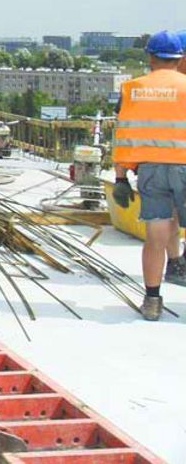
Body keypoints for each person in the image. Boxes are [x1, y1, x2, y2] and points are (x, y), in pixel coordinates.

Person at [112, 30, 186, 321]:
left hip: (151, 169)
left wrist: (120, 175)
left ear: (150, 57)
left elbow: (125, 133)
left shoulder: (133, 88)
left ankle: (152, 301)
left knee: (156, 235)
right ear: (180, 57)